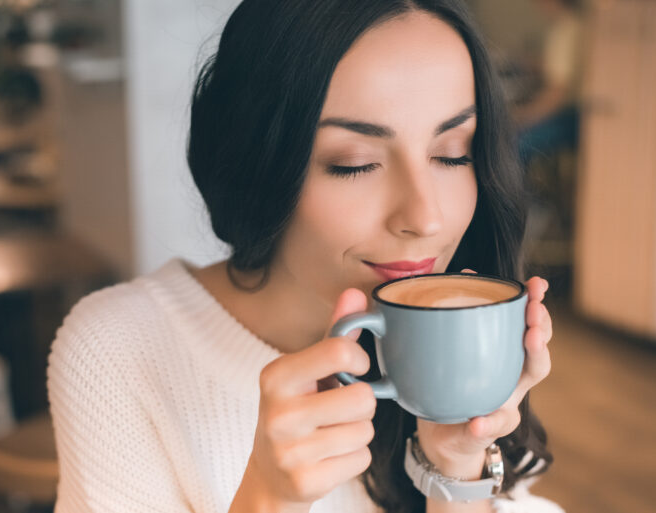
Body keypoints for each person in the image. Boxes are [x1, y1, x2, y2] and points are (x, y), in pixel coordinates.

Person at [47, 1, 562, 512]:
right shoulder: (118, 350)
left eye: (453, 154)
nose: (425, 219)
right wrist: (268, 500)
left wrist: (453, 463)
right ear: (259, 166)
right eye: (354, 164)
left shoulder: (458, 342)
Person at [515, 0, 584, 166]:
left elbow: (557, 94)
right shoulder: (576, 25)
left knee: (514, 144)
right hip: (573, 112)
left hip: (570, 116)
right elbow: (562, 68)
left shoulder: (567, 31)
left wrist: (523, 116)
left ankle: (511, 192)